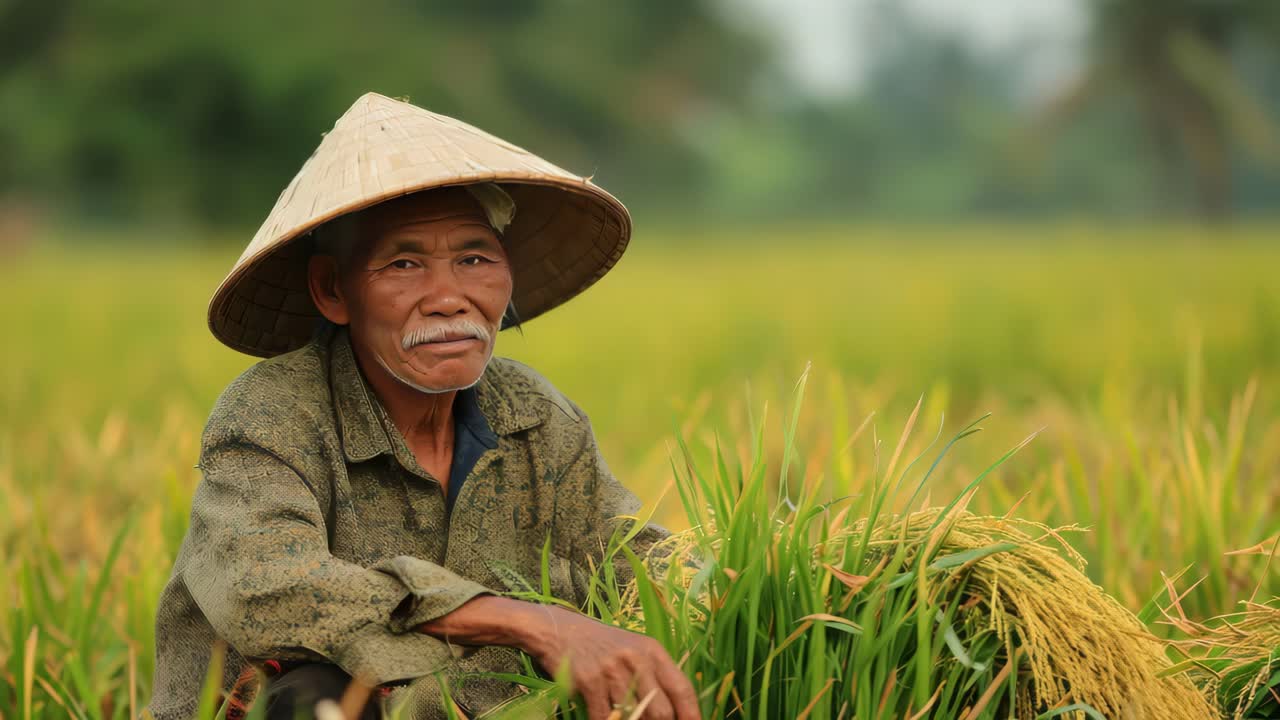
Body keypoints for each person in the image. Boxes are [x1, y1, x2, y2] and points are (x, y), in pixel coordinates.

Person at [148, 92, 700, 720]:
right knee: (312, 695)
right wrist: (532, 624)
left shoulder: (536, 415)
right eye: (404, 264)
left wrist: (752, 584)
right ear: (334, 290)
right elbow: (265, 588)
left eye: (474, 259)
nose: (449, 298)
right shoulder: (272, 414)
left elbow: (628, 552)